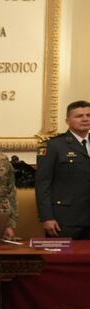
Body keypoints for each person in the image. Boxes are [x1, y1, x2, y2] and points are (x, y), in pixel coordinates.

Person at [36, 101, 90, 239]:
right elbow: (43, 184)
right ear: (67, 120)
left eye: (88, 115)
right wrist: (46, 217)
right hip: (65, 219)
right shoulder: (54, 145)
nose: (85, 119)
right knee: (63, 259)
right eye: (79, 116)